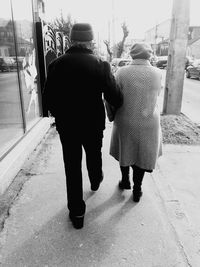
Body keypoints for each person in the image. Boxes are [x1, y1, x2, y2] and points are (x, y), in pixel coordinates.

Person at [43, 23, 122, 229]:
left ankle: (77, 213)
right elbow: (115, 97)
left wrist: (61, 114)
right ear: (90, 41)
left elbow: (48, 99)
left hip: (67, 126)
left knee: (72, 166)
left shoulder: (57, 65)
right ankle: (96, 179)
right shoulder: (100, 64)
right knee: (94, 155)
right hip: (93, 124)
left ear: (70, 40)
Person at [109, 42, 162, 202]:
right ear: (149, 55)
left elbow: (113, 97)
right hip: (149, 122)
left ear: (132, 55)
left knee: (126, 149)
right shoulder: (157, 73)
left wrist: (111, 115)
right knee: (141, 154)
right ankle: (137, 188)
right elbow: (156, 94)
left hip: (126, 119)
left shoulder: (121, 72)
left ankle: (125, 180)